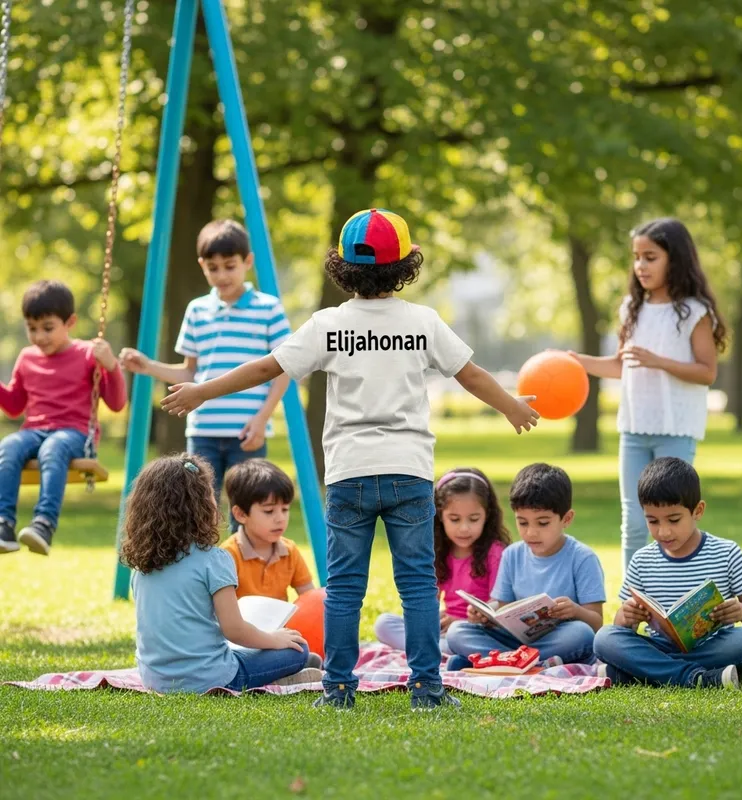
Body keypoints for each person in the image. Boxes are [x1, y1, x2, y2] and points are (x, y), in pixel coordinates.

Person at [161, 207, 540, 710]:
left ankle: (338, 688)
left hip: (349, 475)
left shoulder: (328, 324)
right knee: (418, 586)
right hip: (407, 473)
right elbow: (469, 375)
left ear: (343, 265)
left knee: (343, 589)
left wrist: (203, 390)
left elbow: (264, 369)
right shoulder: (422, 322)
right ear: (405, 263)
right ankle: (427, 688)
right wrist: (511, 405)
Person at [569, 218, 728, 571]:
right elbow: (621, 365)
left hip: (676, 430)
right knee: (635, 523)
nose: (640, 265)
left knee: (674, 522)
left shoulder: (694, 312)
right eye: (637, 257)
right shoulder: (631, 308)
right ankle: (633, 602)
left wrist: (659, 361)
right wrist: (575, 362)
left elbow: (707, 371)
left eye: (650, 257)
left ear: (676, 259)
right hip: (634, 429)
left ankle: (674, 594)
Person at [119, 219, 290, 527]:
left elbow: (283, 370)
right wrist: (147, 366)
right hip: (202, 431)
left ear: (247, 262)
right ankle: (203, 572)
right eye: (213, 267)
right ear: (202, 265)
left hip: (247, 430)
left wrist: (263, 418)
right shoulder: (197, 310)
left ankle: (242, 571)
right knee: (200, 511)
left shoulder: (268, 309)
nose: (221, 274)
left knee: (247, 512)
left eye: (229, 265)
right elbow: (190, 374)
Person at [121, 454, 322, 693]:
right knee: (297, 651)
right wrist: (274, 639)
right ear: (201, 506)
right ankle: (283, 674)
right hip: (212, 678)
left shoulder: (142, 565)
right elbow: (234, 630)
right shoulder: (213, 559)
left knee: (268, 646)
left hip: (154, 679)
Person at [594, 457, 742, 689]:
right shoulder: (642, 559)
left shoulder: (726, 553)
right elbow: (623, 628)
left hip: (712, 646)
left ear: (698, 511)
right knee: (605, 638)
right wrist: (626, 617)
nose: (663, 531)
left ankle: (642, 673)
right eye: (652, 521)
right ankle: (698, 678)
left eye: (674, 520)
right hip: (660, 646)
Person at [0, 280, 127, 555]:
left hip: (75, 432)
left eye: (48, 328)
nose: (39, 337)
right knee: (8, 446)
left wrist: (111, 366)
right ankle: (4, 523)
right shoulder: (26, 358)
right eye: (32, 329)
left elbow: (116, 404)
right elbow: (13, 406)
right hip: (34, 429)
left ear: (69, 322)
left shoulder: (86, 354)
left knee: (53, 448)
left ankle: (44, 524)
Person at [446, 463, 605, 668]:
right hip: (516, 641)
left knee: (581, 634)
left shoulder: (582, 557)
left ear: (566, 519)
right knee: (457, 632)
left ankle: (497, 662)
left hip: (557, 638)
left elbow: (596, 623)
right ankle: (527, 664)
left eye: (543, 523)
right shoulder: (512, 554)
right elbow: (502, 607)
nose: (531, 532)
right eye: (523, 522)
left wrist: (575, 611)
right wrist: (485, 614)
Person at [374, 467, 511, 655]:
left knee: (457, 635)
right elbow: (428, 600)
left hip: (478, 630)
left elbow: (498, 606)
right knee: (384, 624)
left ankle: (434, 650)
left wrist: (460, 621)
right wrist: (430, 618)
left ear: (487, 516)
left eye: (473, 519)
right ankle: (436, 650)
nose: (464, 528)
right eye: (455, 519)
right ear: (440, 516)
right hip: (445, 630)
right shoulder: (437, 552)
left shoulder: (495, 553)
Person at [221, 459, 316, 601]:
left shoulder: (290, 552)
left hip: (280, 623)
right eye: (269, 511)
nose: (280, 519)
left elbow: (310, 598)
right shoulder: (228, 556)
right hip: (239, 623)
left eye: (285, 509)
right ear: (241, 514)